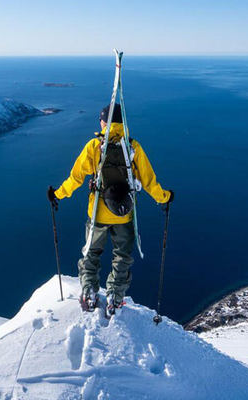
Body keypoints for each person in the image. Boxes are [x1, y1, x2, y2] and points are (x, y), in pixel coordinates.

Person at [48, 103, 173, 316]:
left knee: (91, 253)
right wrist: (165, 198)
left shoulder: (94, 146)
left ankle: (89, 291)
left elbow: (76, 178)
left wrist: (57, 194)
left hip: (97, 213)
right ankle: (115, 296)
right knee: (122, 256)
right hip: (123, 214)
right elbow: (149, 182)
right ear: (122, 123)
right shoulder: (133, 148)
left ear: (104, 122)